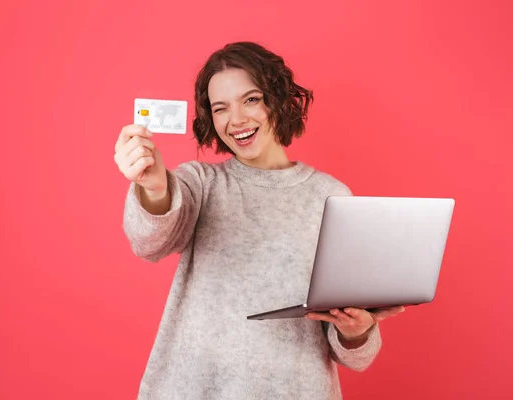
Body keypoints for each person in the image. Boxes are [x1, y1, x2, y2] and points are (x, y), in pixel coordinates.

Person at [114, 41, 405, 400]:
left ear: (277, 100)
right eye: (221, 108)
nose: (236, 119)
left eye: (250, 99)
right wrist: (154, 186)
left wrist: (357, 330)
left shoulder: (331, 197)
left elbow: (357, 356)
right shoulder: (200, 183)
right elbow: (149, 242)